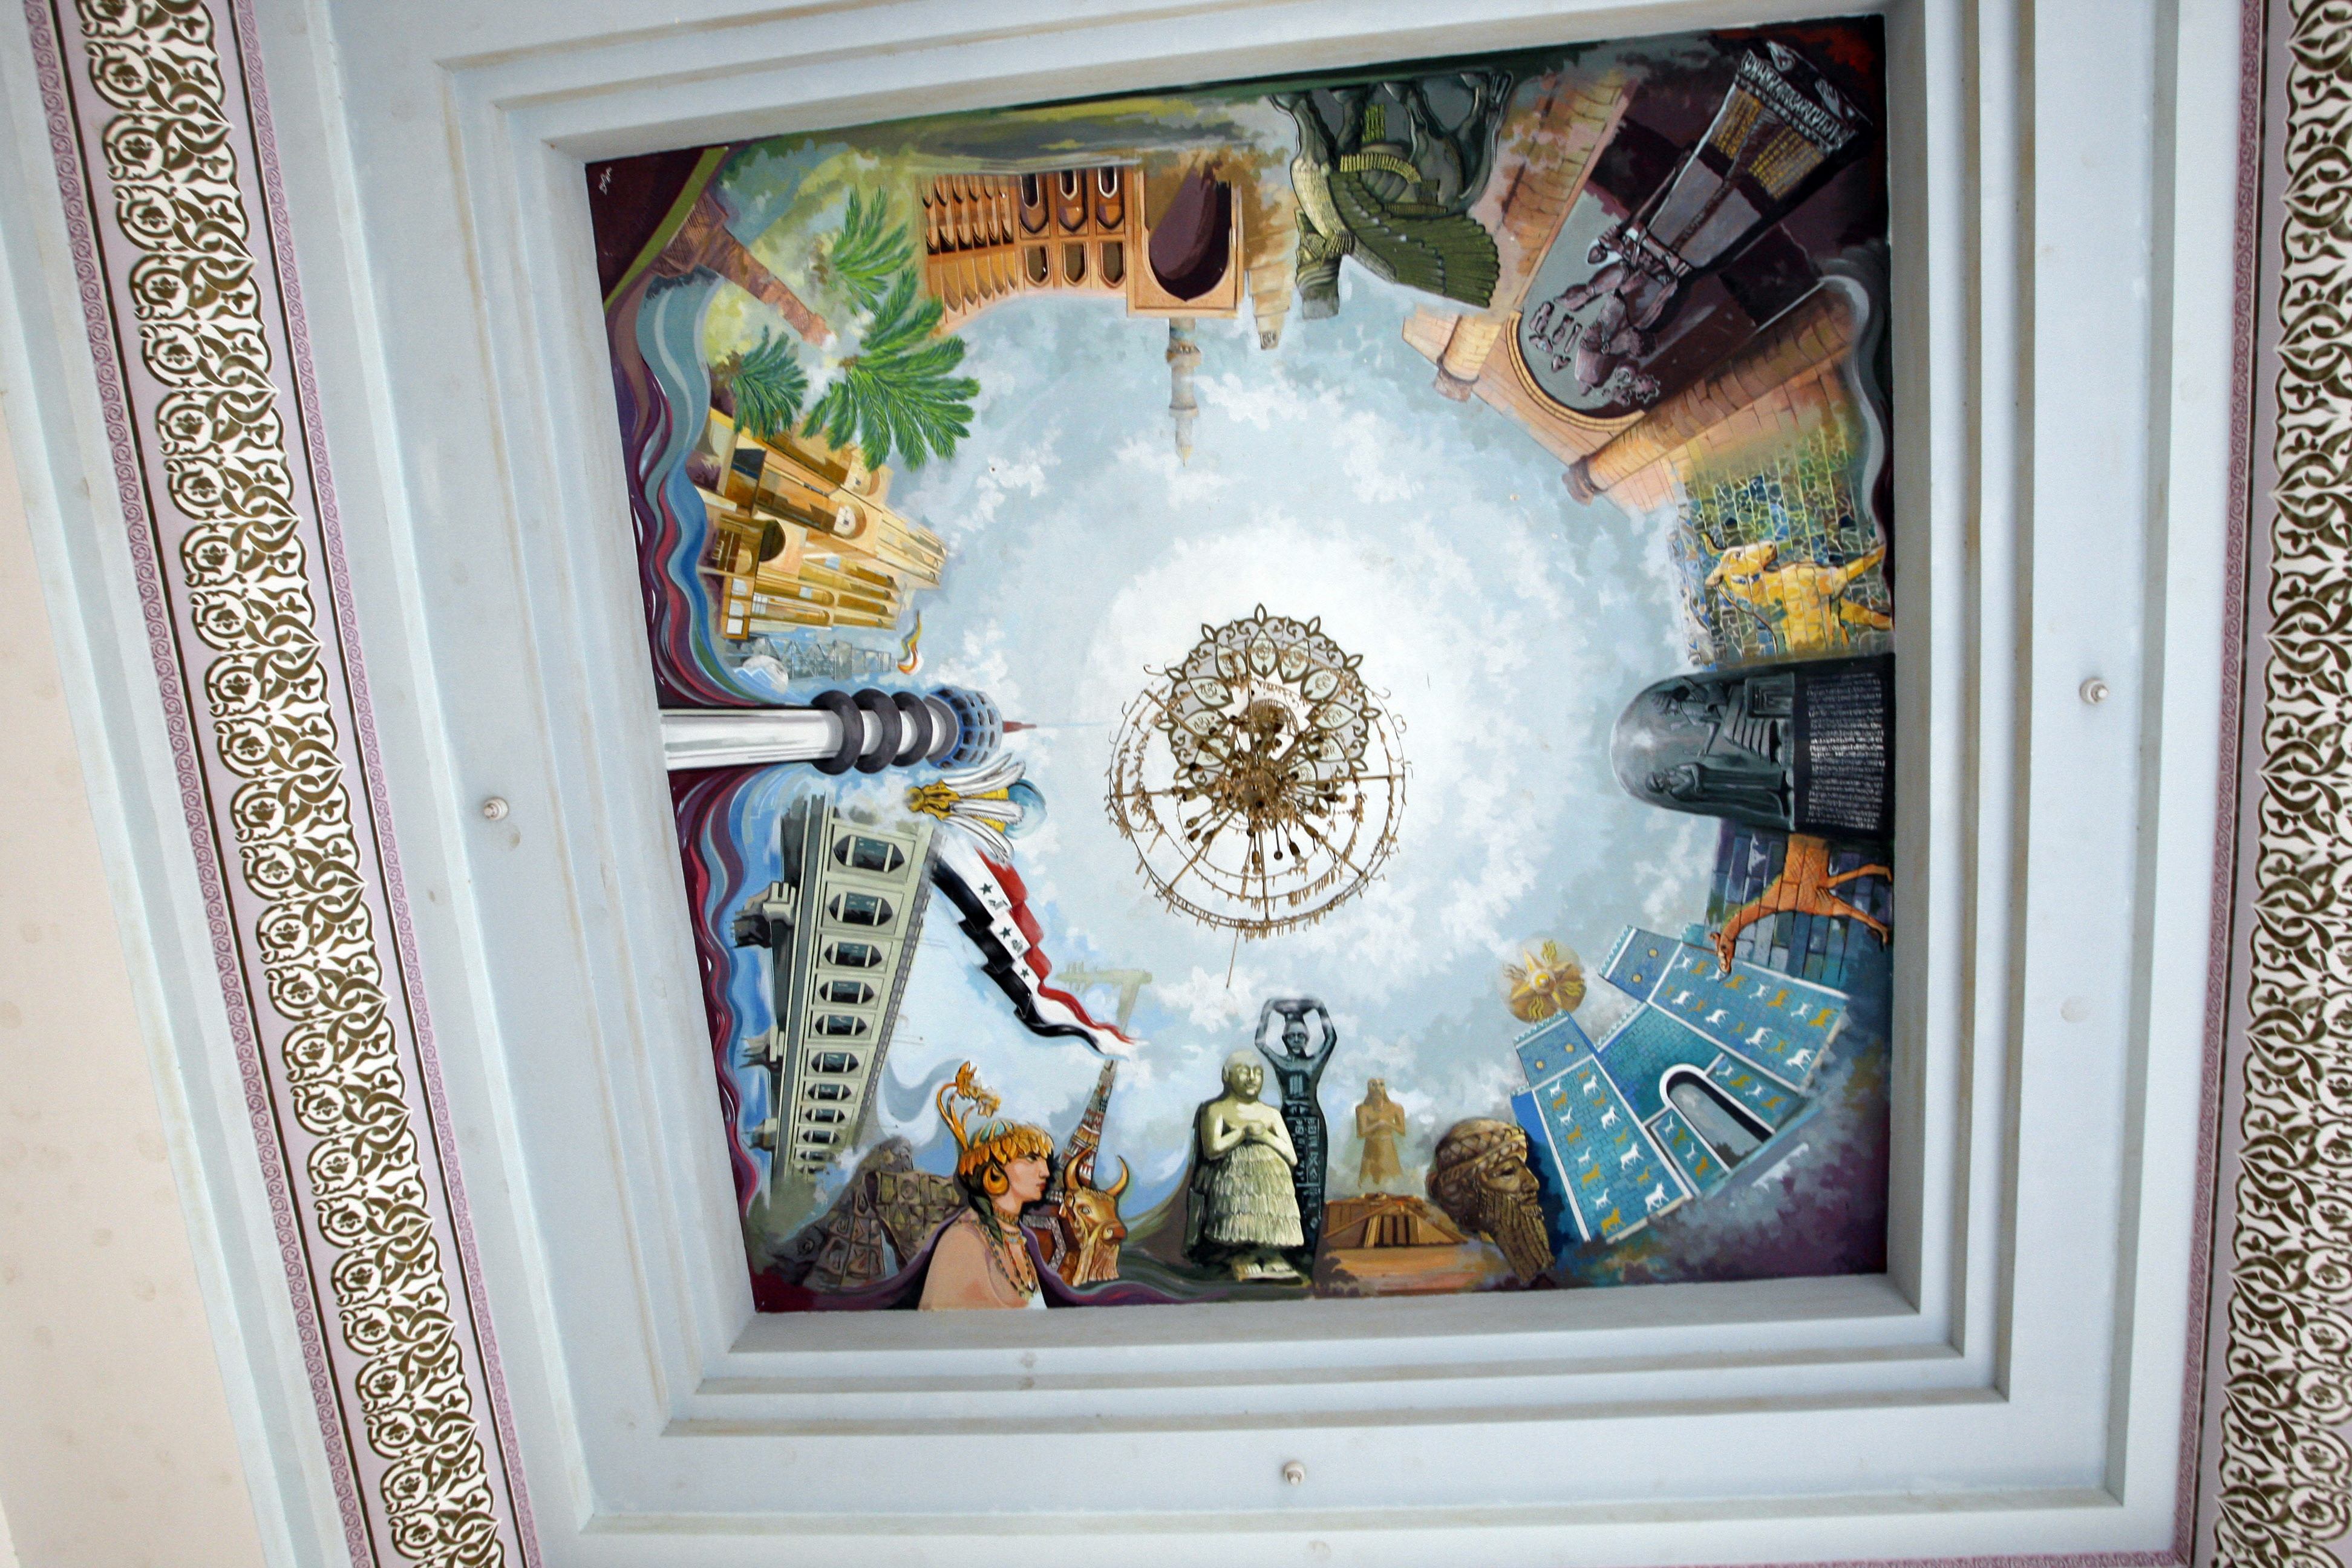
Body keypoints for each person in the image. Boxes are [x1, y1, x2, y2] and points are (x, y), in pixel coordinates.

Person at [920, 1063, 1056, 1310]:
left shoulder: (1018, 1238)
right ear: (995, 1171)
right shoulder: (964, 1241)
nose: (1045, 1171)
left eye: (1045, 1161)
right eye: (1031, 1159)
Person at [1185, 1051, 1305, 1280]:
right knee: (1240, 1214)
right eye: (1243, 1071)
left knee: (1271, 1212)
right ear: (1227, 1075)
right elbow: (1212, 1149)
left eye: (1257, 1072)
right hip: (1234, 1183)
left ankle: (1271, 1254)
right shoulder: (1216, 1110)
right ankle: (1242, 1255)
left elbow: (1292, 1156)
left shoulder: (1270, 1113)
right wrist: (1242, 1133)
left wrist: (1265, 1137)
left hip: (1272, 1188)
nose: (1252, 1078)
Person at [1354, 1079, 1406, 1191]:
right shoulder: (1362, 1109)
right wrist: (1378, 1124)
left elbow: (1402, 1131)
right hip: (1371, 1150)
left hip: (1388, 1149)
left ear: (1385, 1088)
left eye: (1381, 1085)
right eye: (1374, 1085)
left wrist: (1387, 1124)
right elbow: (1361, 1133)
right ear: (1369, 1088)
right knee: (1368, 1185)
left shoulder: (1396, 1108)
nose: (1378, 1088)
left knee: (1392, 1184)